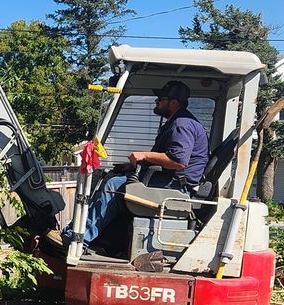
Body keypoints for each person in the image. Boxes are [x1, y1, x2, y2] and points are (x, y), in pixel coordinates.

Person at [62, 80, 209, 250]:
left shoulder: (182, 124)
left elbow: (178, 161)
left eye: (160, 99)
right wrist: (134, 165)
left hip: (176, 187)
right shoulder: (177, 122)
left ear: (174, 102)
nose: (157, 102)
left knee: (113, 187)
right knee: (112, 178)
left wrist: (145, 155)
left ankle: (78, 239)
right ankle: (89, 236)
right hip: (168, 181)